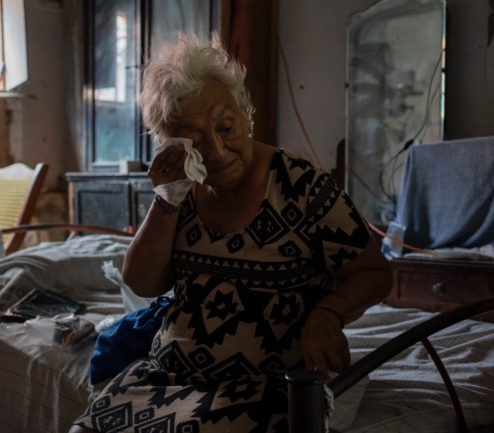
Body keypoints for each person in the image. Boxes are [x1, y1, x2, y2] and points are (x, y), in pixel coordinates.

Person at [70, 32, 392, 433]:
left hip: (259, 387)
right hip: (167, 374)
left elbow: (375, 273)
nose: (218, 152)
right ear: (171, 146)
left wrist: (328, 312)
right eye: (195, 143)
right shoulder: (180, 191)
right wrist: (167, 199)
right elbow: (142, 282)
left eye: (226, 127)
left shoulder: (301, 185)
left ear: (246, 113)